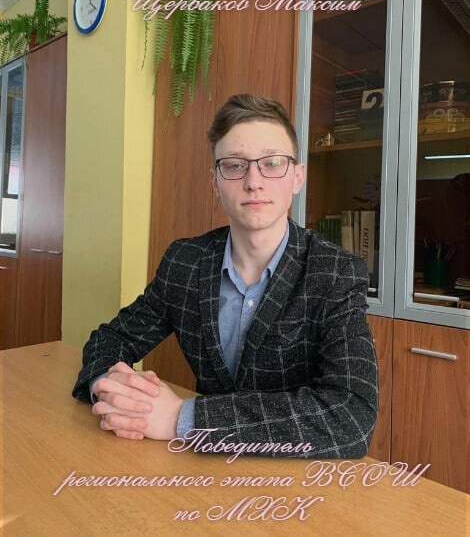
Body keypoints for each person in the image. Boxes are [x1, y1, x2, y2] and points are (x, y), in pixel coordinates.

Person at [72, 93, 378, 458]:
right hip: (200, 469)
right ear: (215, 182)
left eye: (272, 163)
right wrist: (111, 386)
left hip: (295, 474)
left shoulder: (335, 272)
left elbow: (351, 416)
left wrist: (182, 418)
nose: (254, 182)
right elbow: (112, 338)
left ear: (297, 177)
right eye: (234, 165)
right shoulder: (186, 261)